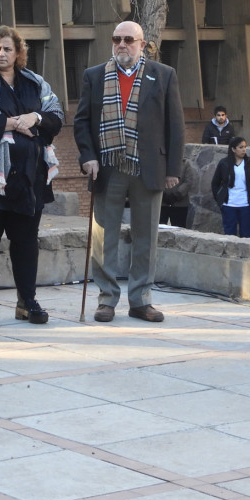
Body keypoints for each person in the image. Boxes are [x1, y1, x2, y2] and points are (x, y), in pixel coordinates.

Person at [73, 20, 185, 324]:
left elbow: (175, 126)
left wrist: (173, 168)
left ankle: (141, 300)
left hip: (148, 167)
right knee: (103, 235)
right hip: (107, 167)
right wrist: (88, 157)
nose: (122, 45)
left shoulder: (163, 75)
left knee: (146, 235)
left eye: (128, 40)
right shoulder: (94, 76)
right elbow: (82, 122)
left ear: (142, 44)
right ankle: (106, 300)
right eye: (116, 39)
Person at [0, 25, 64, 326]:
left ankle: (27, 301)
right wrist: (16, 124)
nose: (1, 53)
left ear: (18, 53)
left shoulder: (34, 83)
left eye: (7, 48)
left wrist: (37, 117)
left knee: (26, 240)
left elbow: (56, 117)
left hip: (29, 179)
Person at [210, 136, 250, 238]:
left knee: (246, 235)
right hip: (229, 205)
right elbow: (215, 183)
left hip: (246, 205)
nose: (244, 150)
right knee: (230, 235)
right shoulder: (224, 163)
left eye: (245, 147)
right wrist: (219, 198)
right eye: (240, 147)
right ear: (233, 149)